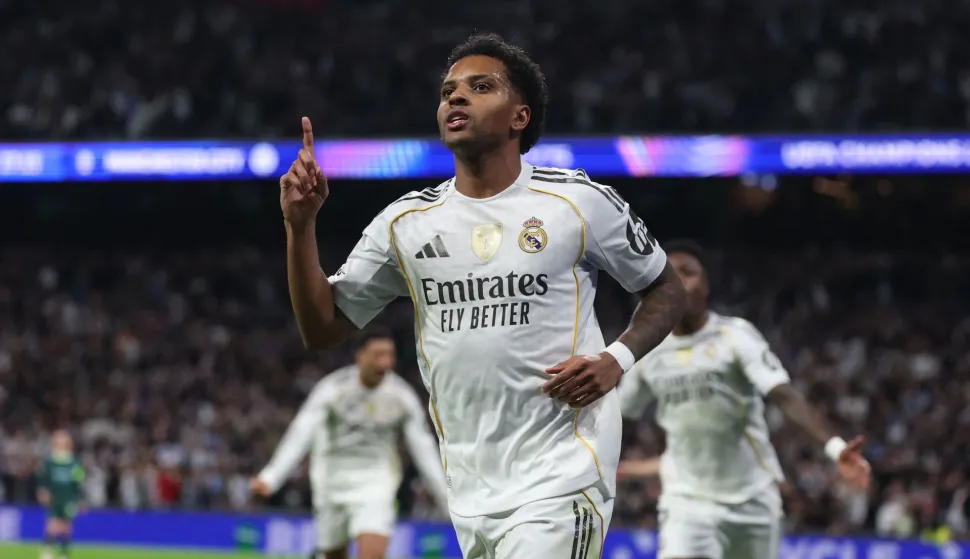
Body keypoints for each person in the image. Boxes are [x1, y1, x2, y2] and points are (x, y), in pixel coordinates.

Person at [278, 32, 686, 558]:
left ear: (520, 116)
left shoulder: (577, 201)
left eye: (480, 87)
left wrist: (617, 358)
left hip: (564, 472)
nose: (456, 98)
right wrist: (300, 227)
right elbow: (322, 328)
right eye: (448, 91)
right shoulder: (405, 223)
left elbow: (665, 287)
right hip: (471, 488)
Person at [616, 240, 871, 559]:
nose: (679, 281)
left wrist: (835, 448)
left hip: (752, 497)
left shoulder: (736, 336)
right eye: (669, 274)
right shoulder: (647, 349)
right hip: (687, 498)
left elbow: (784, 396)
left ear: (705, 286)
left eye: (688, 273)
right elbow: (619, 416)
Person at [251, 329, 448, 559]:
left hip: (376, 483)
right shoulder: (333, 389)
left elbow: (423, 450)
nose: (384, 362)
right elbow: (301, 432)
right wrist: (272, 477)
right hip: (330, 482)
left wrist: (446, 500)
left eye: (389, 355)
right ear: (360, 356)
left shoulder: (402, 397)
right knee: (334, 554)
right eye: (377, 354)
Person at [36, 430, 85, 559]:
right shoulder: (50, 461)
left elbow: (79, 481)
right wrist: (43, 491)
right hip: (54, 497)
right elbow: (43, 478)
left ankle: (64, 553)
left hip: (69, 497)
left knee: (66, 526)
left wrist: (80, 499)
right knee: (52, 524)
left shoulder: (74, 462)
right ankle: (47, 551)